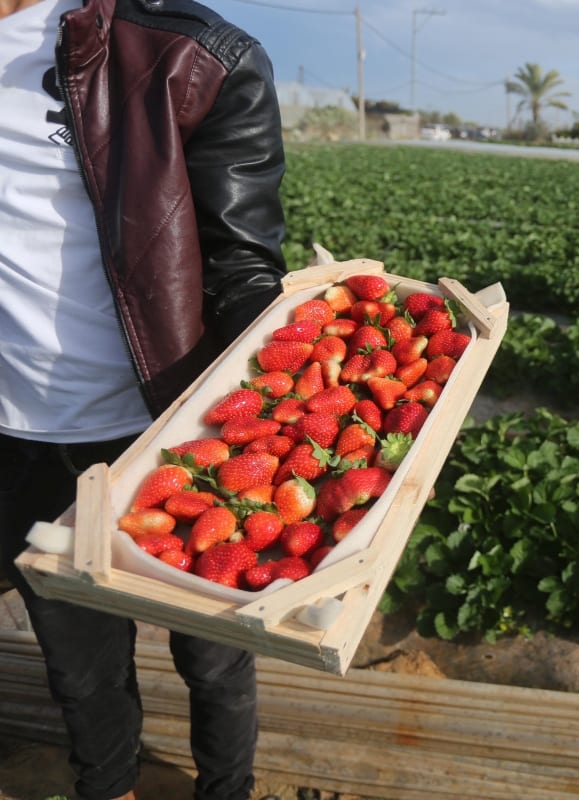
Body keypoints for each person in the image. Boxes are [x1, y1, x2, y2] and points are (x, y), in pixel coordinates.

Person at [0, 0, 287, 798]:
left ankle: (225, 787)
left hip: (165, 425)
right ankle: (110, 786)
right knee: (79, 663)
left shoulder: (182, 56)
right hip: (18, 437)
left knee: (216, 652)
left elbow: (243, 263)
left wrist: (287, 402)